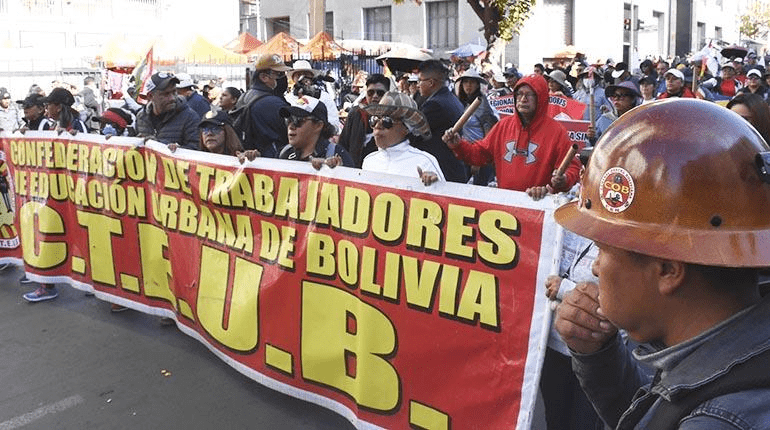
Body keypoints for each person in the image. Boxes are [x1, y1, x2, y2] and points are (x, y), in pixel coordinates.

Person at [554, 99, 770, 429]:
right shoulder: (729, 367)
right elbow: (657, 416)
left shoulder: (719, 420)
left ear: (668, 269)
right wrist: (598, 354)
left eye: (602, 249)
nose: (596, 268)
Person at [442, 74, 581, 199]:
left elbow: (572, 168)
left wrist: (564, 179)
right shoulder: (503, 126)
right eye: (519, 94)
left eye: (530, 94)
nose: (523, 99)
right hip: (507, 206)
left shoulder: (556, 132)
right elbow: (480, 154)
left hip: (539, 206)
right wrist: (458, 145)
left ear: (541, 98)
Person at [361, 91, 444, 185]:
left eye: (387, 121)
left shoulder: (425, 162)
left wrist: (435, 185)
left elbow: (445, 197)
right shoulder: (369, 161)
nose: (378, 126)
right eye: (374, 120)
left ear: (406, 128)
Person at [415, 59, 467, 183]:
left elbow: (415, 135)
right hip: (453, 168)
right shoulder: (450, 98)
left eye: (420, 81)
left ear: (431, 82)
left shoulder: (435, 105)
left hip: (441, 172)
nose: (417, 85)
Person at [233, 53, 291, 158]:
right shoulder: (273, 103)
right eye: (279, 75)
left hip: (252, 159)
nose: (283, 78)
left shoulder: (244, 96)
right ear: (264, 77)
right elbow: (291, 131)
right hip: (273, 160)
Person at [278, 95, 354, 168]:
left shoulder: (338, 155)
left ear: (318, 125)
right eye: (288, 120)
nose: (291, 126)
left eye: (297, 121)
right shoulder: (284, 153)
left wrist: (332, 171)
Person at [454, 68, 498, 186]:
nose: (468, 85)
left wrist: (477, 160)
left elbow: (488, 135)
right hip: (465, 152)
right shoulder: (462, 102)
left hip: (480, 155)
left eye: (472, 82)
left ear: (477, 85)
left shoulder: (482, 104)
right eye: (466, 82)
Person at [135, 72, 200, 149]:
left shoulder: (189, 117)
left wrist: (173, 149)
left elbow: (196, 150)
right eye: (166, 94)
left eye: (174, 92)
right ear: (150, 96)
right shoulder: (141, 117)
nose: (172, 98)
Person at [337, 73, 389, 168]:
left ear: (387, 94)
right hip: (354, 171)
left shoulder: (393, 117)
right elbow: (343, 144)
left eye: (380, 93)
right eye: (370, 92)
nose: (375, 96)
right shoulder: (356, 113)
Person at [285, 60, 342, 135]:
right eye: (298, 75)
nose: (302, 78)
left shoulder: (324, 97)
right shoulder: (287, 98)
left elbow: (334, 124)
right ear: (293, 78)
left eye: (306, 74)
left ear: (312, 77)